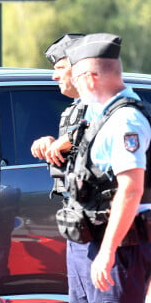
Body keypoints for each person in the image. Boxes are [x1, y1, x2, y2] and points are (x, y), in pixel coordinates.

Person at [60, 33, 151, 303]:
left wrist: (107, 251)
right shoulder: (101, 113)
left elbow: (130, 190)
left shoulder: (125, 120)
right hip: (89, 236)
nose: (75, 87)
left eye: (77, 79)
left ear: (90, 77)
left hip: (119, 245)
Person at [30, 33, 86, 197]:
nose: (54, 76)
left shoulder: (107, 105)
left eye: (61, 68)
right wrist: (52, 143)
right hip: (78, 204)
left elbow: (103, 129)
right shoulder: (75, 107)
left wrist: (68, 139)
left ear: (80, 69)